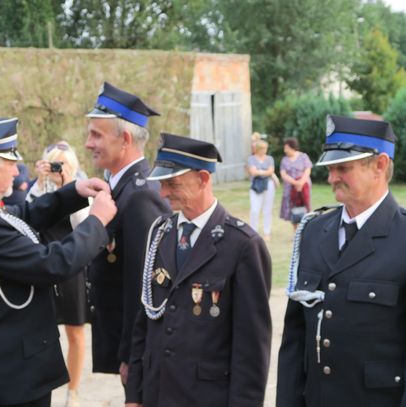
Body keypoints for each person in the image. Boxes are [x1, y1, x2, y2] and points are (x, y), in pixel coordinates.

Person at [276, 115, 406, 407]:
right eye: (330, 168)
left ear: (380, 165)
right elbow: (295, 342)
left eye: (343, 168)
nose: (332, 178)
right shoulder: (313, 231)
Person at [0, 117, 117, 407]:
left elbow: (20, 216)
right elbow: (53, 264)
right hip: (12, 372)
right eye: (11, 163)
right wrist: (97, 221)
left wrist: (73, 192)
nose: (16, 171)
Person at [125, 133, 272, 407]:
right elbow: (144, 319)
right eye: (162, 183)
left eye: (172, 184)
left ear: (203, 179)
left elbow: (251, 349)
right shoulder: (160, 233)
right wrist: (134, 394)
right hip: (157, 393)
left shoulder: (242, 245)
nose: (163, 193)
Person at [85, 82, 170, 386]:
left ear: (125, 139)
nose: (88, 144)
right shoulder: (120, 188)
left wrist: (134, 354)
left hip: (139, 351)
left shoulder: (140, 195)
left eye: (96, 135)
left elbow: (144, 285)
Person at [26, 141, 90, 407]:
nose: (56, 168)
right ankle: (43, 391)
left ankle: (72, 392)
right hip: (43, 265)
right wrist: (40, 183)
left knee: (75, 332)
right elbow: (27, 218)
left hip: (72, 267)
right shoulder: (38, 189)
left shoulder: (80, 186)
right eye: (53, 163)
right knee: (41, 331)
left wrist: (68, 188)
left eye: (61, 164)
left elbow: (83, 225)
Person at [279, 137, 312, 230]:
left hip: (304, 187)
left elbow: (308, 169)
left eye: (286, 148)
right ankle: (295, 231)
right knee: (292, 209)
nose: (285, 150)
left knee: (304, 207)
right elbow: (283, 174)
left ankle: (304, 230)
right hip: (290, 188)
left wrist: (301, 182)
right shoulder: (284, 159)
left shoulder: (303, 156)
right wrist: (295, 183)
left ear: (292, 147)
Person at [247, 139, 276, 241]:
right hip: (255, 186)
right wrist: (265, 172)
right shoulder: (251, 159)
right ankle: (253, 231)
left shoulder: (269, 159)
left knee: (267, 210)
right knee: (254, 210)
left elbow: (271, 171)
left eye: (265, 148)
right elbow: (252, 172)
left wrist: (259, 171)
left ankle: (267, 232)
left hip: (268, 185)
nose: (264, 150)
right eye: (263, 148)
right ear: (258, 149)